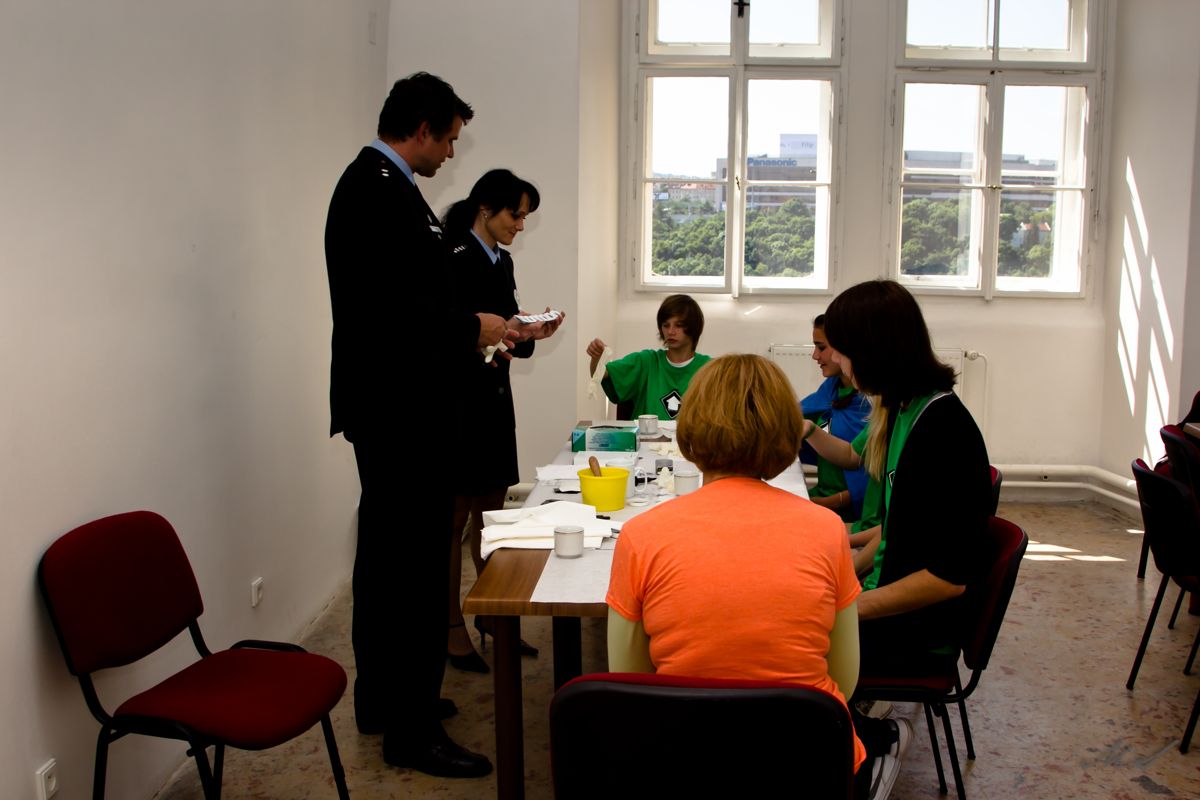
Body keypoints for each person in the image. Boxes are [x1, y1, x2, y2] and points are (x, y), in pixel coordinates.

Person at [324, 72, 525, 778]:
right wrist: (476, 327)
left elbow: (408, 300)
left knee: (389, 562)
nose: (451, 153)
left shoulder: (384, 186)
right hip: (400, 408)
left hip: (396, 406)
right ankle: (411, 730)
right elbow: (398, 312)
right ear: (421, 129)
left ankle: (386, 700)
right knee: (408, 571)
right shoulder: (376, 191)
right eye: (449, 139)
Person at [606, 353, 907, 798]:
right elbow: (843, 680)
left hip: (681, 762)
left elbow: (629, 679)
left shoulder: (640, 535)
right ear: (785, 432)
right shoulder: (826, 531)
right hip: (804, 763)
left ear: (689, 431)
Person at [813, 280, 991, 790]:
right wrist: (836, 574)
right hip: (894, 604)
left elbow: (946, 579)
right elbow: (894, 532)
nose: (835, 361)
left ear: (872, 350)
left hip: (920, 630)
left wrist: (843, 610)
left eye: (841, 350)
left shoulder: (941, 430)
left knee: (774, 637)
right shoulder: (904, 409)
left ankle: (870, 747)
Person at [440, 169, 565, 672]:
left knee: (491, 513)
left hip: (493, 401)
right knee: (454, 519)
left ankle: (493, 615)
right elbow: (444, 332)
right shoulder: (451, 255)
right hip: (456, 402)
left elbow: (505, 329)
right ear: (485, 208)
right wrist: (494, 334)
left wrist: (530, 331)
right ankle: (450, 626)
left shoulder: (502, 260)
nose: (520, 224)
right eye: (516, 214)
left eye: (526, 217)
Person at [586, 294, 710, 420]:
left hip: (691, 434)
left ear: (694, 327)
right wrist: (596, 358)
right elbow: (600, 374)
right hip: (646, 433)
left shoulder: (709, 369)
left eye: (678, 325)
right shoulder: (646, 361)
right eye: (666, 325)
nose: (670, 331)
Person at [801, 313, 871, 523]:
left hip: (852, 511)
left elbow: (874, 474)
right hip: (823, 496)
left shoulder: (872, 405)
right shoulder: (831, 389)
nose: (815, 356)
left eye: (821, 347)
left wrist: (832, 502)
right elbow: (794, 413)